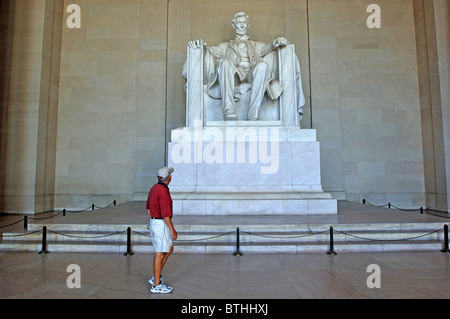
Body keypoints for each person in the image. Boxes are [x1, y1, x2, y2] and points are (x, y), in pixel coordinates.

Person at [188, 11, 288, 121]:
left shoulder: (256, 46)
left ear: (248, 25)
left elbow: (269, 48)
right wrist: (201, 44)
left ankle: (253, 113)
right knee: (225, 63)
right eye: (239, 22)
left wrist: (277, 42)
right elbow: (210, 50)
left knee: (263, 66)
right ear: (234, 25)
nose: (241, 25)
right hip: (234, 76)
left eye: (244, 23)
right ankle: (229, 110)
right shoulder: (225, 46)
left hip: (250, 74)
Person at [146, 166, 178, 294]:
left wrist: (154, 220)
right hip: (160, 223)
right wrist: (172, 230)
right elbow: (165, 214)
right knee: (160, 253)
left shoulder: (154, 188)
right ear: (168, 178)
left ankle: (156, 276)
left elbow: (148, 208)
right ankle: (156, 284)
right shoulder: (163, 191)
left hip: (155, 222)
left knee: (169, 249)